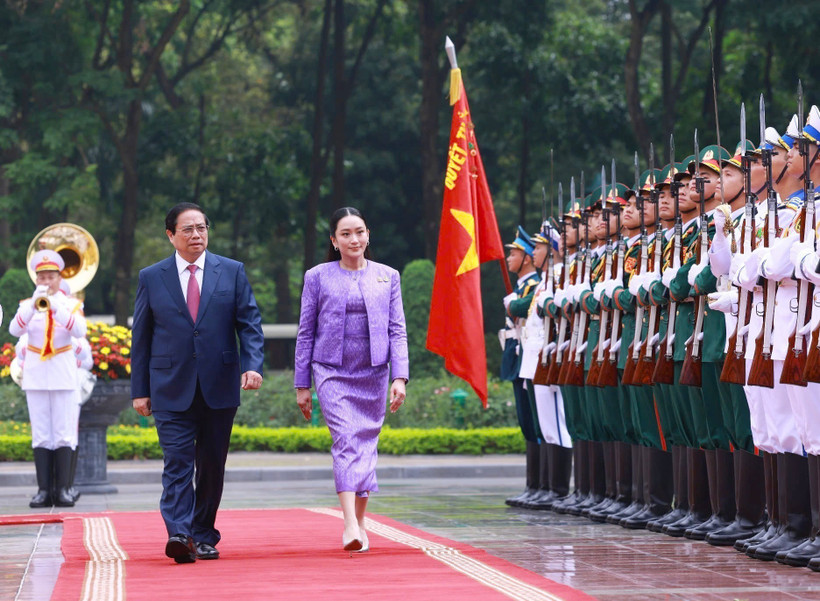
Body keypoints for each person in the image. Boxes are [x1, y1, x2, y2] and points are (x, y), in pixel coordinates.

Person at [131, 202, 264, 564]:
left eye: (201, 228)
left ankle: (203, 533)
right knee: (177, 461)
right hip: (169, 386)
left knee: (210, 465)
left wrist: (252, 365)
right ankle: (179, 533)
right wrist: (139, 390)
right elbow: (140, 337)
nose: (196, 235)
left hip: (219, 386)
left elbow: (249, 323)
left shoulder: (231, 272)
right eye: (187, 229)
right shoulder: (151, 276)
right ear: (170, 235)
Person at [294, 206, 409, 553]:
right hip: (331, 371)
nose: (353, 239)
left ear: (368, 235)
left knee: (366, 443)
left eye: (359, 232)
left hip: (374, 372)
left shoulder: (388, 276)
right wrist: (302, 385)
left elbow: (397, 330)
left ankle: (361, 522)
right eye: (345, 234)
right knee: (346, 440)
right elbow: (305, 332)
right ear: (334, 240)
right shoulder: (317, 276)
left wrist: (400, 376)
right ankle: (348, 523)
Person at [9, 249, 87, 508]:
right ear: (36, 280)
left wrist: (56, 306)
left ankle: (63, 489)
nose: (46, 282)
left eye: (50, 277)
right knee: (41, 433)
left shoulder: (72, 305)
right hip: (36, 375)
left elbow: (79, 330)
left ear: (59, 277)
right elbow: (14, 329)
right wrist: (34, 306)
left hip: (63, 373)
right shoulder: (26, 305)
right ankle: (43, 490)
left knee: (63, 433)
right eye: (41, 277)